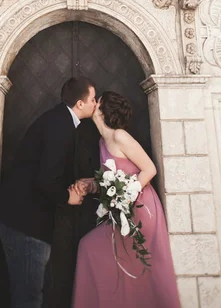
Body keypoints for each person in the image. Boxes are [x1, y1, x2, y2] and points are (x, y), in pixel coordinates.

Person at [0, 76, 97, 308]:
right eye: (93, 99)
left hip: (25, 217)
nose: (96, 104)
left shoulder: (59, 121)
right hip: (25, 220)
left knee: (28, 290)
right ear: (80, 103)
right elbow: (46, 179)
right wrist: (70, 196)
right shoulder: (61, 125)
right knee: (28, 295)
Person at [72, 91, 181, 308]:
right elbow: (109, 179)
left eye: (97, 100)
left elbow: (149, 169)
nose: (94, 103)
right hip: (123, 213)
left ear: (102, 109)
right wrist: (90, 185)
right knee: (92, 249)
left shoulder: (119, 136)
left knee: (140, 265)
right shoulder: (103, 141)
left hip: (142, 210)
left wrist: (126, 196)